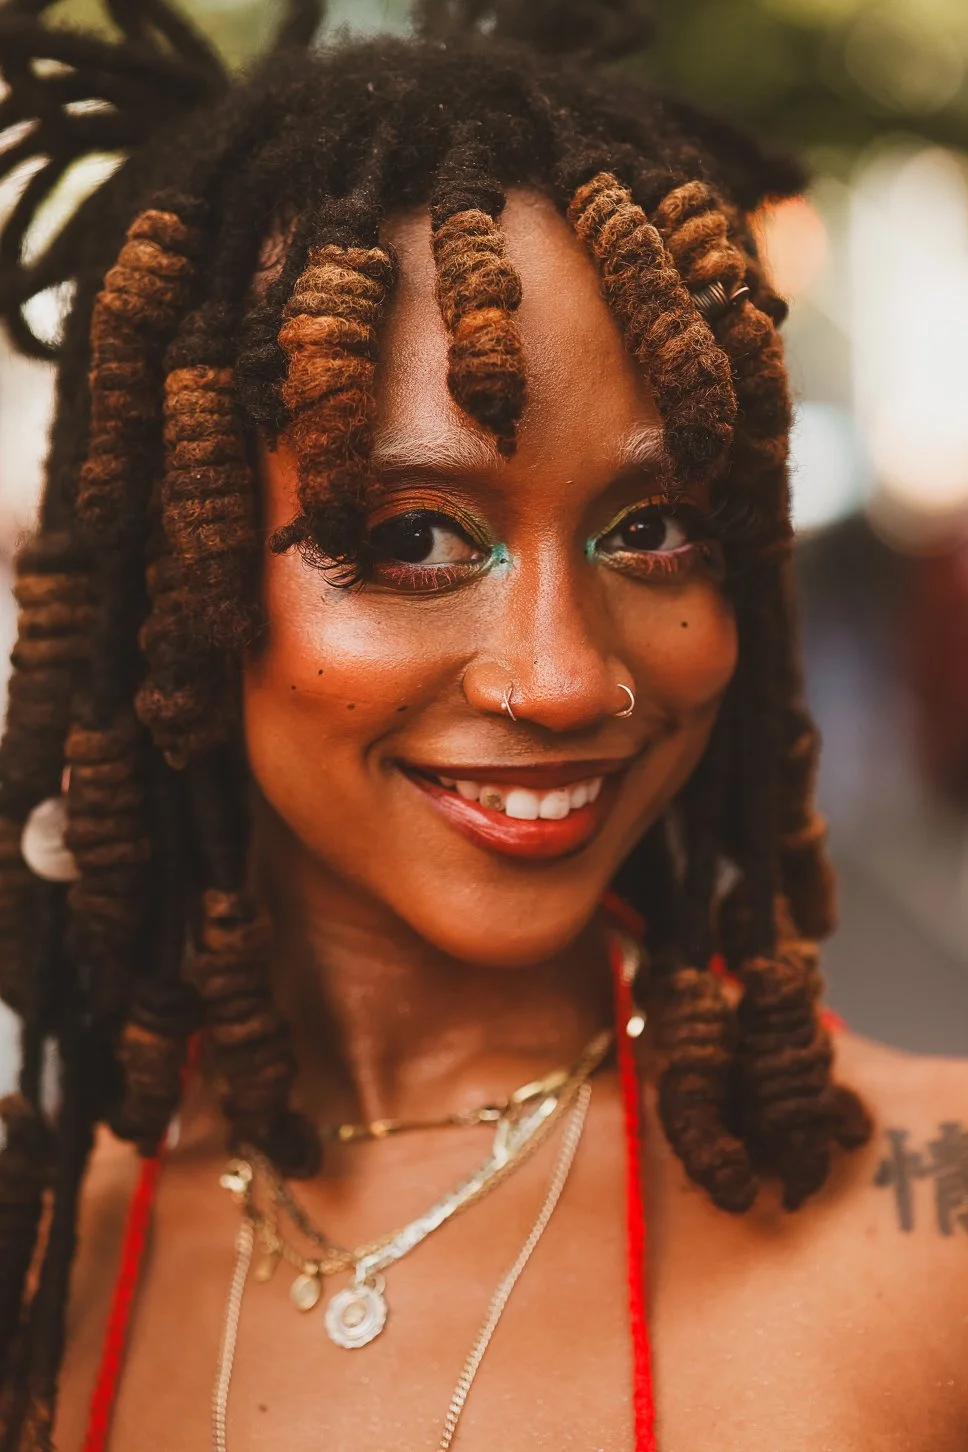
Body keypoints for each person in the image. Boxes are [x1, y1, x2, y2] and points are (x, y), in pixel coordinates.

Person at [0, 2, 965, 1448]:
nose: (565, 679)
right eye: (413, 540)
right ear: (179, 579)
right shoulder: (39, 1267)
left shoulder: (934, 1218)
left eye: (654, 531)